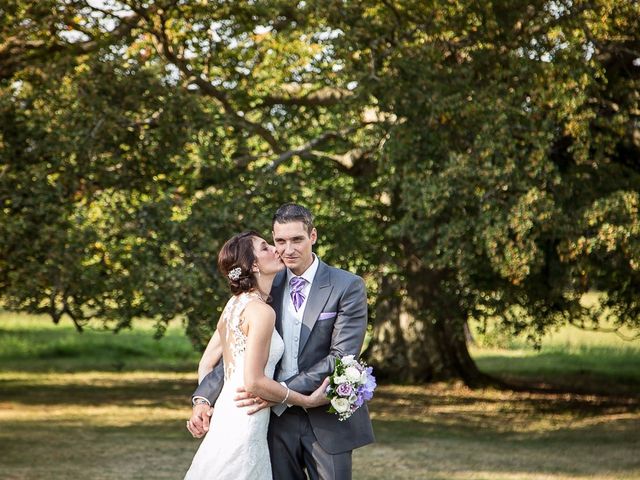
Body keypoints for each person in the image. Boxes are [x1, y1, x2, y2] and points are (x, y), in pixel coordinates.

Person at [188, 204, 375, 480]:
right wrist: (203, 398)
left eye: (297, 239)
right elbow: (237, 354)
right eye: (279, 241)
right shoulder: (264, 284)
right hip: (273, 424)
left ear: (313, 236)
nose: (288, 250)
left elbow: (341, 356)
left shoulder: (347, 286)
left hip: (325, 417)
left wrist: (279, 392)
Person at [184, 231, 330, 479]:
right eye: (265, 248)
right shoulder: (261, 312)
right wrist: (306, 401)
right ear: (253, 265)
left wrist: (207, 402)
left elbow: (206, 363)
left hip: (228, 413)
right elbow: (254, 381)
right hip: (247, 418)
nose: (276, 249)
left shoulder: (234, 305)